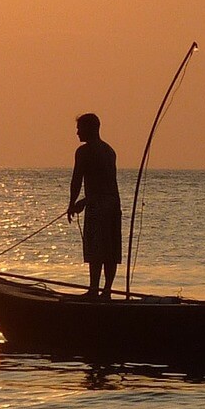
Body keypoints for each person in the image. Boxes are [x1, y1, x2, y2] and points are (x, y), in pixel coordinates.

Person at [67, 112, 122, 298]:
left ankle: (94, 290)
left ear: (90, 129)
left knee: (97, 248)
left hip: (98, 205)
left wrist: (73, 203)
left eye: (79, 128)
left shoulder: (84, 152)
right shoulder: (109, 151)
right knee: (110, 249)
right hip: (113, 204)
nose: (77, 133)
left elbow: (77, 179)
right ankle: (106, 291)